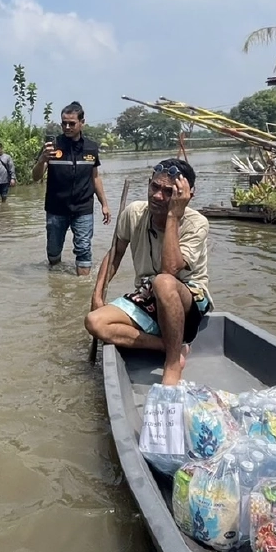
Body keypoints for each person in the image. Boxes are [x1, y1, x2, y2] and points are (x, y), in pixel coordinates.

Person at [85, 159, 210, 386]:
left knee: (163, 281)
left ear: (186, 196)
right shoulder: (134, 212)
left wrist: (173, 216)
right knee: (95, 322)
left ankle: (172, 365)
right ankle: (169, 345)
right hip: (148, 293)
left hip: (187, 299)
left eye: (168, 192)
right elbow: (115, 253)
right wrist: (98, 295)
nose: (158, 196)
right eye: (154, 187)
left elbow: (170, 269)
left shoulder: (196, 223)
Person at [32, 102, 109, 276]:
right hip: (56, 208)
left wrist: (104, 204)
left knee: (83, 249)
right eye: (64, 123)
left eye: (72, 123)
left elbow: (95, 177)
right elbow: (36, 177)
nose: (67, 127)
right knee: (53, 250)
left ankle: (82, 290)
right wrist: (42, 160)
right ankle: (55, 284)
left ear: (82, 122)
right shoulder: (52, 146)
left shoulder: (91, 148)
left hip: (83, 208)